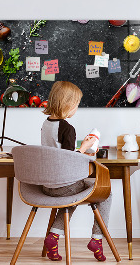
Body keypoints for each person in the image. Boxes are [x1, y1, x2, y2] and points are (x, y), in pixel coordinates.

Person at [41, 81, 111, 262]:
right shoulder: (67, 128)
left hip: (47, 185)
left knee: (71, 196)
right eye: (77, 104)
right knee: (106, 193)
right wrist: (86, 147)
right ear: (68, 104)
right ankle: (97, 239)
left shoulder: (46, 124)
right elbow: (69, 160)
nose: (76, 108)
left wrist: (80, 148)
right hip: (64, 185)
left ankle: (53, 237)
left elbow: (58, 153)